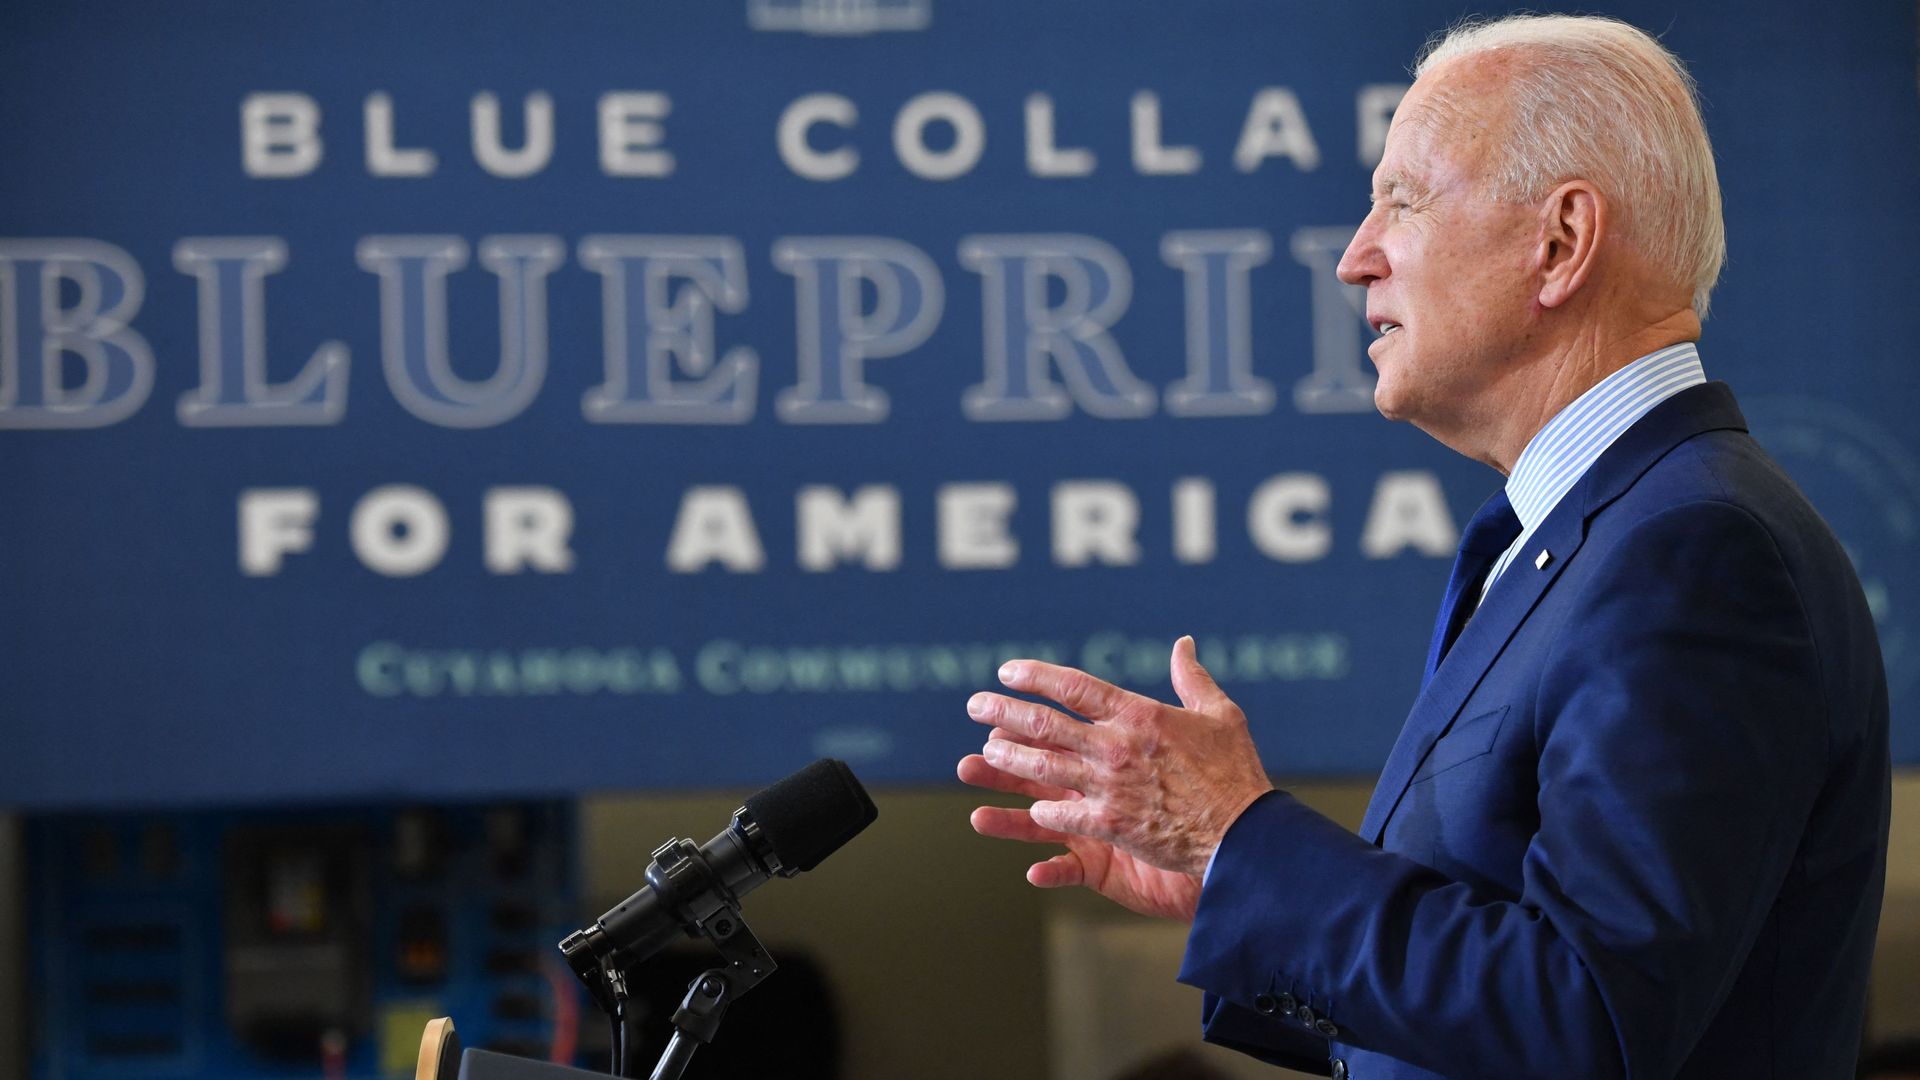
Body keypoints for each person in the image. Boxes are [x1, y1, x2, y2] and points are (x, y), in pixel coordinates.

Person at [958, 13, 1890, 1079]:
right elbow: (1508, 992)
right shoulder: (1573, 539)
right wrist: (1239, 880)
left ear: (1561, 242)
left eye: (1402, 200)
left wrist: (1239, 837)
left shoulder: (1692, 552)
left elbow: (1588, 1019)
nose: (1355, 258)